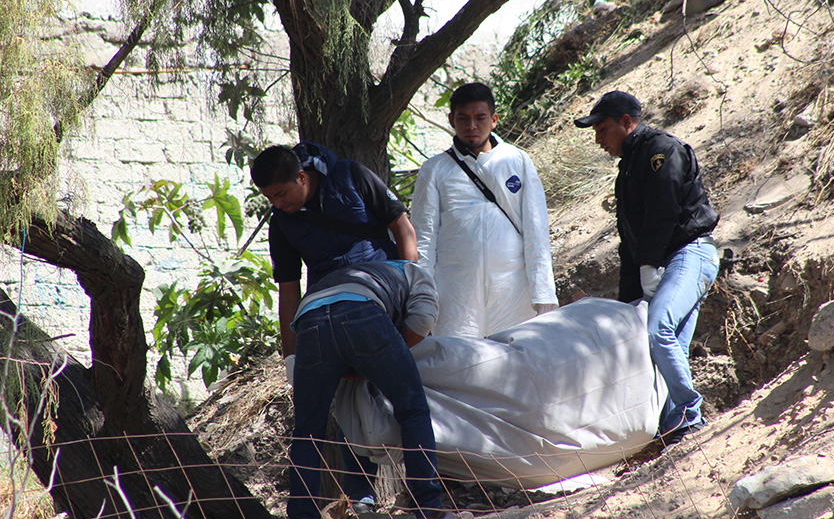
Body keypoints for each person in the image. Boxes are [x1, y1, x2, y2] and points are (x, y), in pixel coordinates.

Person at [575, 90, 720, 445]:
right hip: (663, 260)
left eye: (603, 129)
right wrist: (629, 301)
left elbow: (663, 212)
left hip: (690, 254)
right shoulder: (629, 165)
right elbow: (630, 238)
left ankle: (689, 410)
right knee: (667, 343)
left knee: (658, 330)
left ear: (627, 122)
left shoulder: (660, 151)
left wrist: (649, 264)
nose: (598, 139)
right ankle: (676, 426)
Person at [283, 260, 454, 519]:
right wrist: (384, 356)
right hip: (362, 312)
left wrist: (355, 363)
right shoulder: (418, 273)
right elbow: (422, 320)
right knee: (413, 410)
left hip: (309, 320)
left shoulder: (352, 274)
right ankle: (430, 510)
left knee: (307, 433)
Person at [250, 141, 417, 375]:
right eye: (269, 198)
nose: (277, 204)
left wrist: (412, 290)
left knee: (406, 380)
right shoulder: (280, 223)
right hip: (332, 316)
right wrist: (291, 358)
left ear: (301, 177)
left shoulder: (351, 175)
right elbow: (288, 291)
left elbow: (403, 228)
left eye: (281, 194)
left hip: (385, 297)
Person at [410, 82, 558, 339]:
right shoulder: (434, 170)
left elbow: (536, 230)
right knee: (458, 365)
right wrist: (422, 296)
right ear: (451, 120)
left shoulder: (517, 160)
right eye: (463, 118)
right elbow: (424, 237)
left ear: (494, 119)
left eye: (480, 118)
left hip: (512, 288)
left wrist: (543, 293)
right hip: (454, 292)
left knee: (513, 359)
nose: (471, 126)